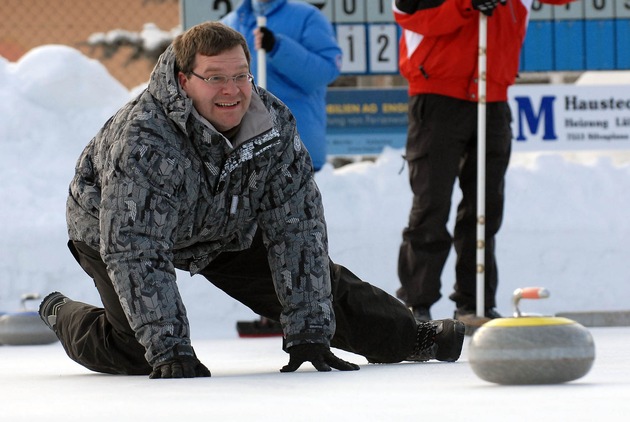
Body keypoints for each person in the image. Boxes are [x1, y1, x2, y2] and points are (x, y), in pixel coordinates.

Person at [39, 22, 465, 378]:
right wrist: (170, 349)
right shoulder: (146, 141)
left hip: (221, 225)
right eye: (216, 78)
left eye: (241, 75)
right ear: (185, 81)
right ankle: (60, 312)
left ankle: (412, 336)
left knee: (328, 293)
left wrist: (309, 330)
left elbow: (297, 231)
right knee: (136, 349)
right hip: (111, 228)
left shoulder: (270, 126)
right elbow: (135, 249)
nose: (232, 90)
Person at [392, 0, 573, 326]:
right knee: (431, 203)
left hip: (493, 98)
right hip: (436, 96)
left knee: (484, 209)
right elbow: (409, 14)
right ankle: (415, 304)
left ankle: (475, 303)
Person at [222, 0, 342, 336]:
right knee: (254, 236)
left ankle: (310, 309)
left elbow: (325, 71)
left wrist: (277, 47)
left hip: (295, 144)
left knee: (295, 230)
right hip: (245, 147)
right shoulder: (233, 21)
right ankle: (272, 309)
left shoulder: (306, 18)